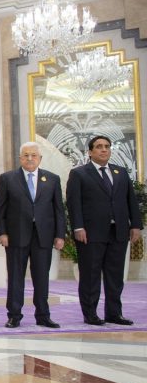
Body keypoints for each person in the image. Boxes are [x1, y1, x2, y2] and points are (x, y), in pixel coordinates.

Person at [66, 135, 143, 325]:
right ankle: (90, 314)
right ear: (90, 152)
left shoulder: (121, 173)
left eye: (107, 146)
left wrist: (135, 225)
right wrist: (78, 227)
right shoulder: (79, 174)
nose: (104, 150)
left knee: (115, 276)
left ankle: (114, 313)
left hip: (118, 231)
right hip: (91, 233)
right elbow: (73, 204)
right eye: (99, 147)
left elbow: (130, 201)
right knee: (90, 275)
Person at [0, 142, 66, 328]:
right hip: (16, 236)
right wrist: (2, 232)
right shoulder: (7, 178)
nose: (29, 158)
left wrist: (60, 235)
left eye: (33, 155)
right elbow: (0, 209)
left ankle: (43, 315)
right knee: (15, 278)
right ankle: (14, 316)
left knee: (42, 277)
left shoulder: (52, 179)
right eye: (26, 155)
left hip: (43, 236)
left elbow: (59, 210)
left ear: (40, 158)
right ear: (20, 158)